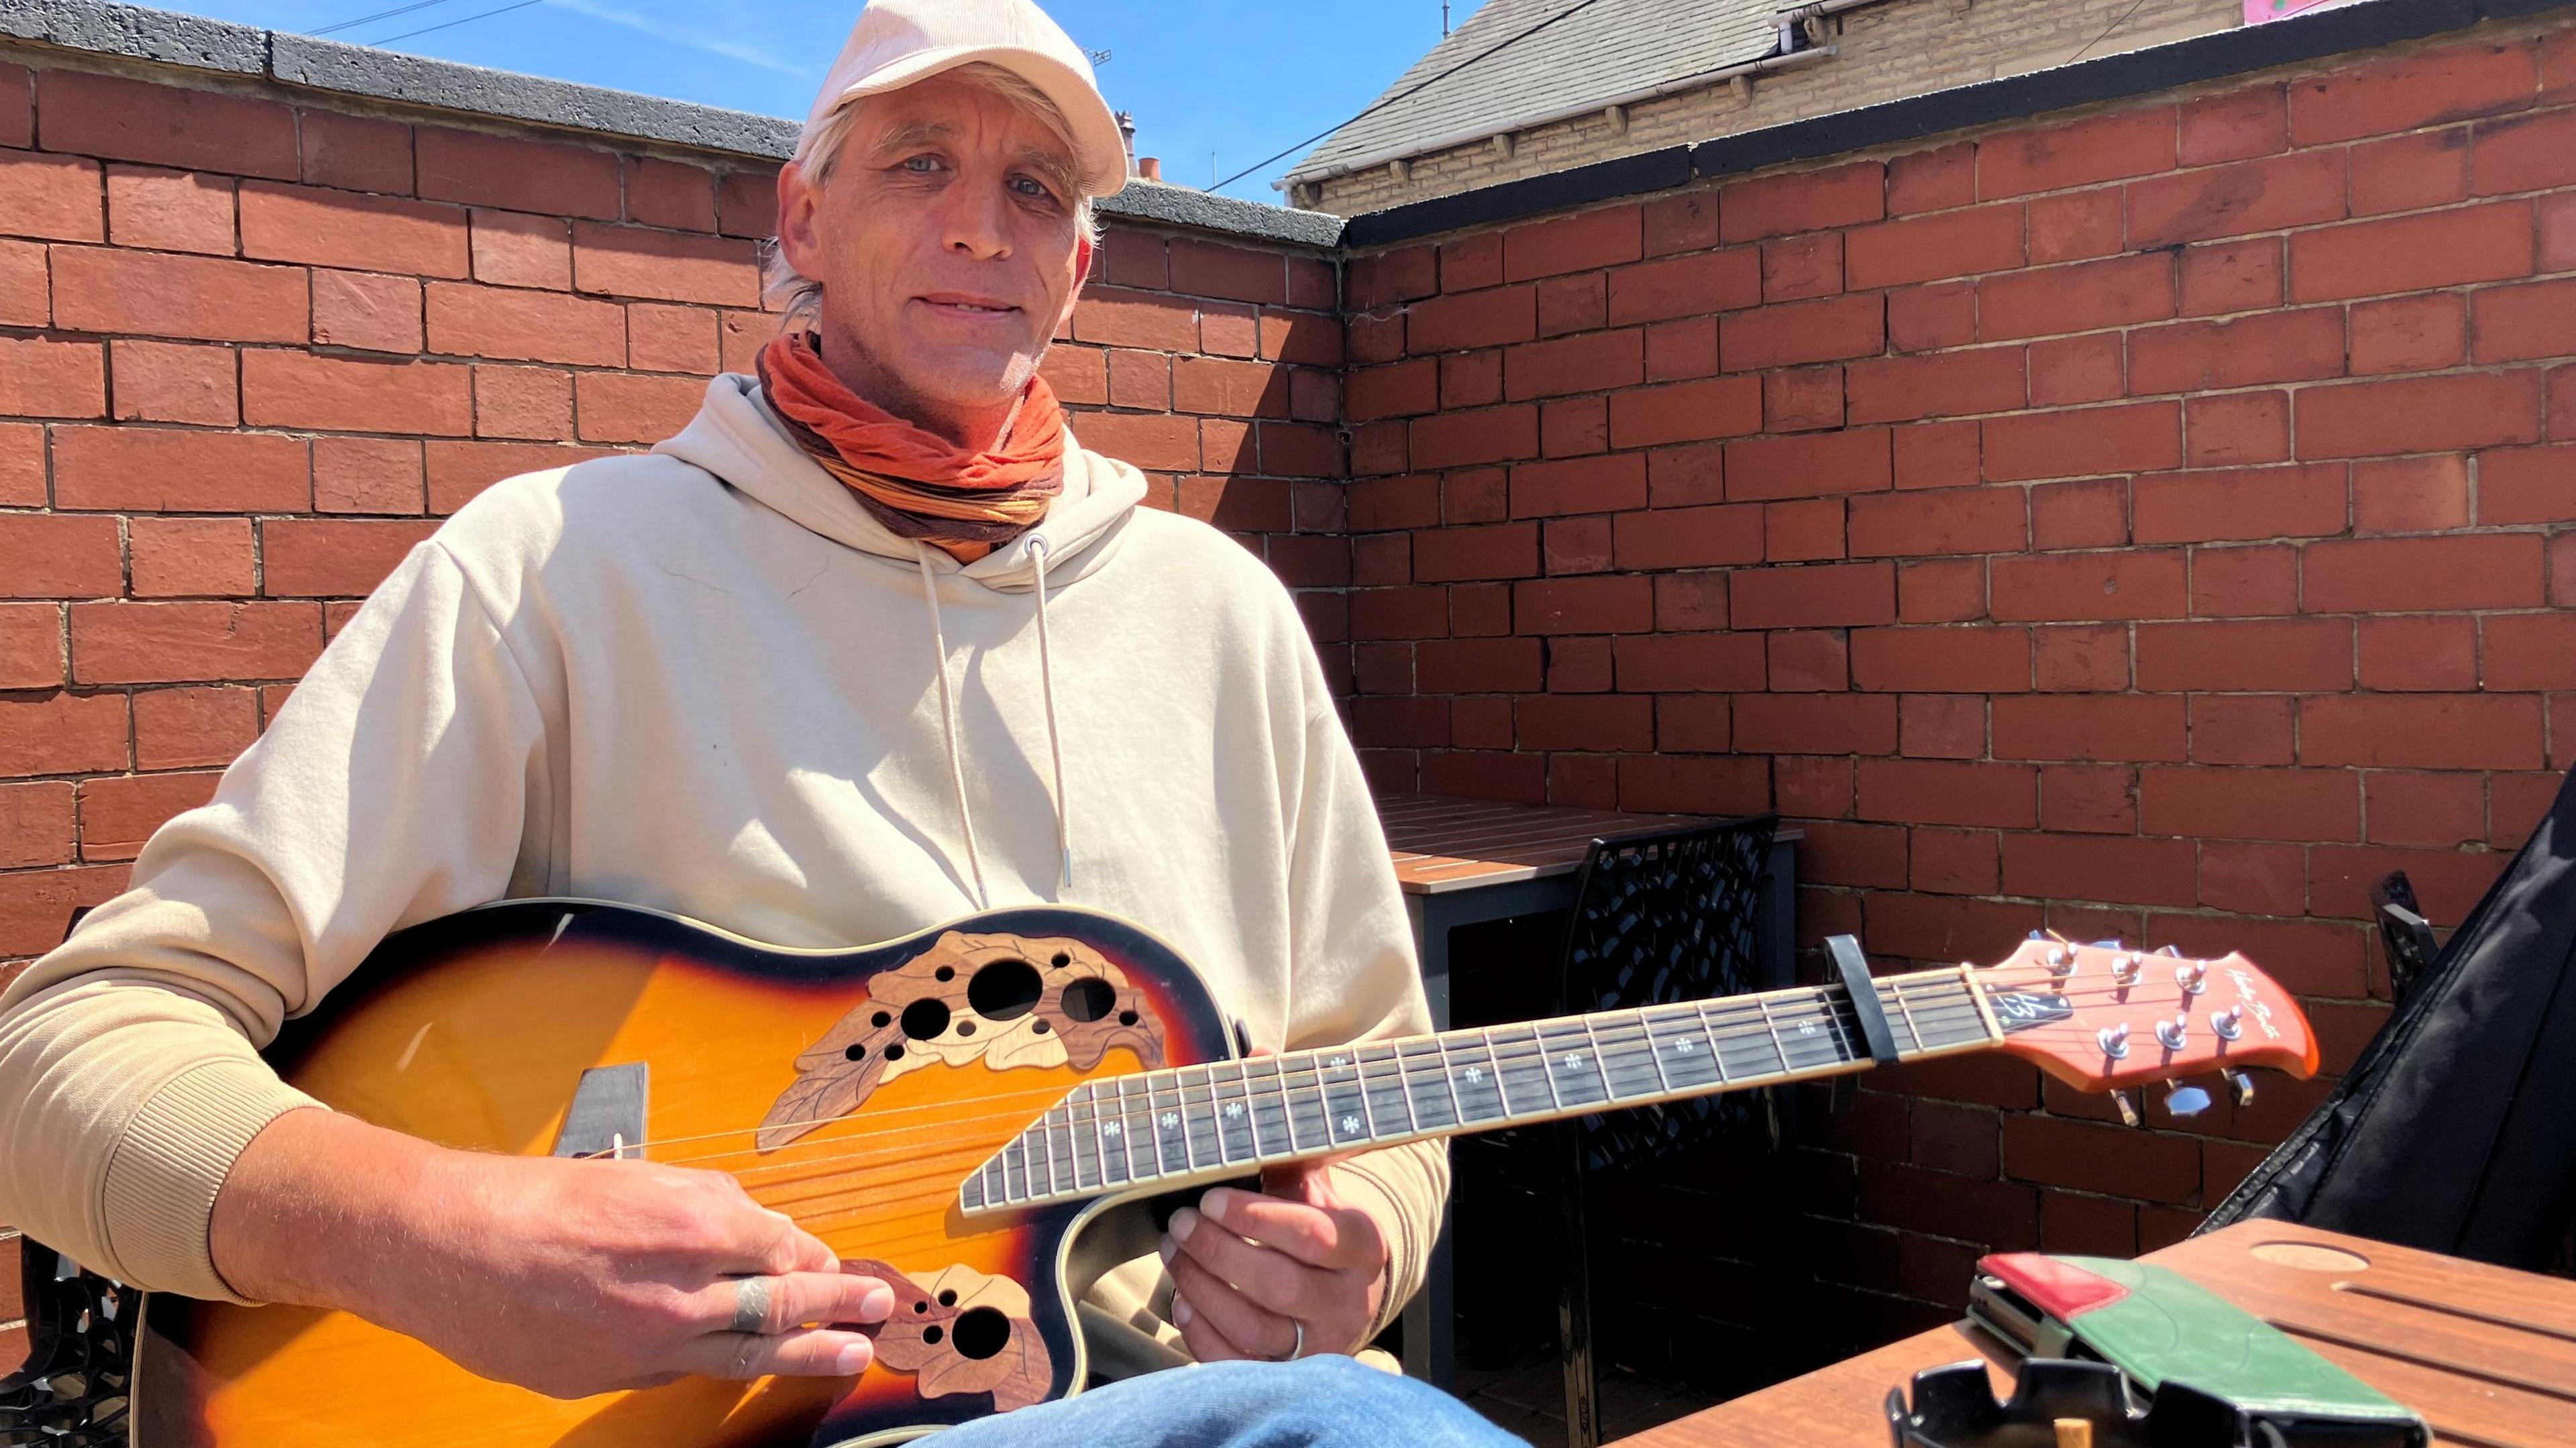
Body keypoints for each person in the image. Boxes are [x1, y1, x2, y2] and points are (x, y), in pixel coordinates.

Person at [0, 1, 1510, 1441]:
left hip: (1187, 1400)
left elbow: (1380, 1074)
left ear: (1079, 263)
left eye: (1035, 188)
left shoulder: (1221, 614)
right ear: (800, 220)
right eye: (922, 163)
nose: (983, 225)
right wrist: (440, 1239)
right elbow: (71, 1058)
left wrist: (1363, 1239)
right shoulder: (557, 569)